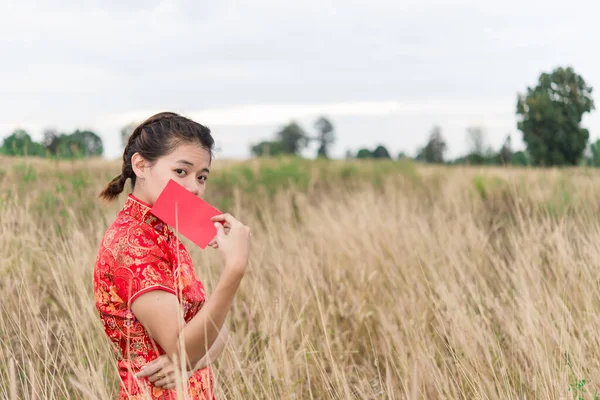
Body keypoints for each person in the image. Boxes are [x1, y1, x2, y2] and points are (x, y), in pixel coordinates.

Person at [94, 112, 251, 399]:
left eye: (201, 177)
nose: (194, 187)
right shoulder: (132, 243)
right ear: (141, 165)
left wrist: (187, 365)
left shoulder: (162, 233)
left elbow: (218, 333)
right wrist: (235, 268)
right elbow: (186, 347)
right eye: (181, 171)